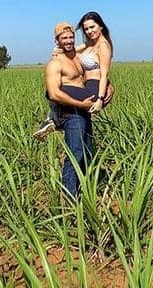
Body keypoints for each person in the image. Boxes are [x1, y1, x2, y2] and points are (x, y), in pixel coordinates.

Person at [45, 21, 111, 197]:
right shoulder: (55, 64)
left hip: (84, 112)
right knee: (75, 153)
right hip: (72, 113)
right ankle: (69, 196)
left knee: (88, 152)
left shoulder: (76, 57)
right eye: (64, 38)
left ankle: (87, 187)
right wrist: (82, 104)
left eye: (70, 37)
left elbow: (95, 71)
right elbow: (53, 93)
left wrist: (107, 89)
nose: (68, 41)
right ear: (57, 40)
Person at [34, 11, 113, 137]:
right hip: (87, 87)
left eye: (92, 27)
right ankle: (54, 117)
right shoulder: (91, 45)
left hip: (94, 91)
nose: (89, 31)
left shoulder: (103, 45)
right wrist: (58, 50)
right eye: (86, 29)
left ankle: (54, 119)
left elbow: (104, 74)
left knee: (53, 92)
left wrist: (100, 99)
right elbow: (72, 50)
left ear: (101, 26)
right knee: (55, 92)